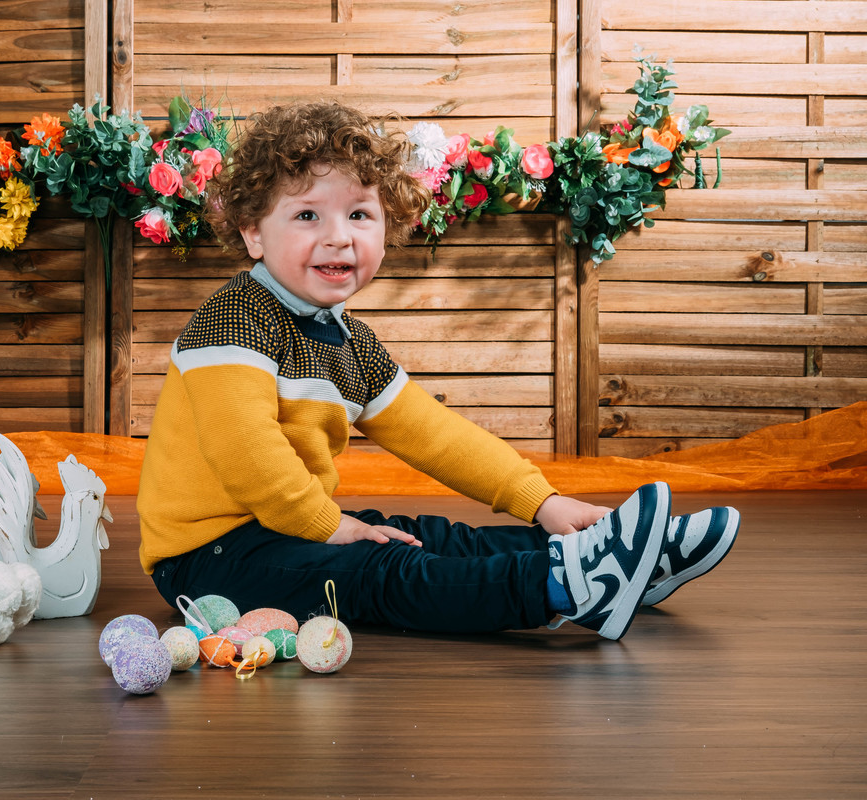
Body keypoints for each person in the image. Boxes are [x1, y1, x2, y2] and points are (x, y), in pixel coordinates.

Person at [136, 101, 739, 640]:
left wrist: (543, 502)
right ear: (253, 234)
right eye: (307, 216)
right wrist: (325, 524)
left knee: (427, 535)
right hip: (207, 556)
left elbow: (437, 436)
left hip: (286, 526)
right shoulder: (233, 319)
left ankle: (601, 549)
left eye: (359, 215)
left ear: (387, 229)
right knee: (379, 568)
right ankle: (565, 587)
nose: (339, 238)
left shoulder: (351, 344)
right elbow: (247, 452)